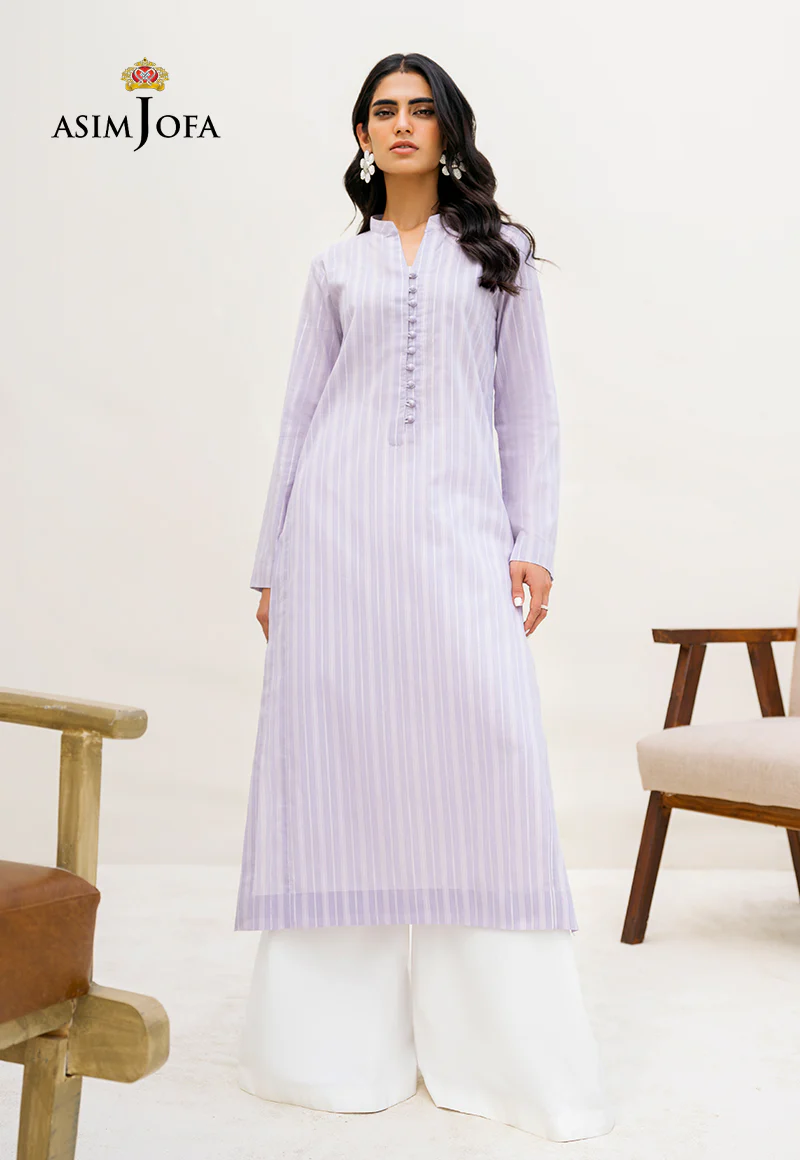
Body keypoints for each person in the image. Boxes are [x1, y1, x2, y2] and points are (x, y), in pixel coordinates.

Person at [233, 52, 615, 1143]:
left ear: (449, 130)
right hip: (334, 544)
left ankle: (499, 1058)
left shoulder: (499, 257)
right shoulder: (335, 267)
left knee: (483, 760)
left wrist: (533, 544)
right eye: (382, 111)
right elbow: (299, 415)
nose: (401, 124)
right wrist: (272, 562)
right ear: (362, 136)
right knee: (337, 772)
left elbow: (528, 411)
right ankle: (330, 1058)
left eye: (420, 109)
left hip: (456, 538)